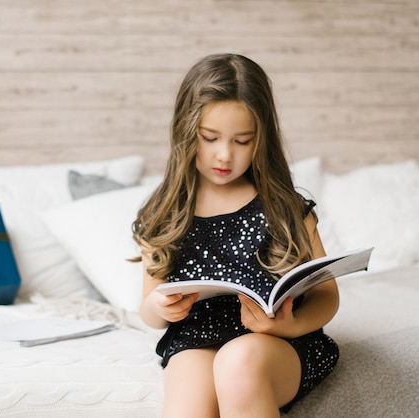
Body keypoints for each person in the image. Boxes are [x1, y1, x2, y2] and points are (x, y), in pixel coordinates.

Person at [132, 53, 339, 417]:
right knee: (187, 404)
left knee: (237, 362)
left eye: (242, 141)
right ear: (185, 132)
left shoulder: (283, 206)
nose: (224, 154)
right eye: (209, 138)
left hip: (275, 341)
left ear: (262, 139)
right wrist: (158, 307)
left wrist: (291, 325)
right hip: (196, 339)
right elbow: (149, 311)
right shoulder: (165, 212)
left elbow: (327, 296)